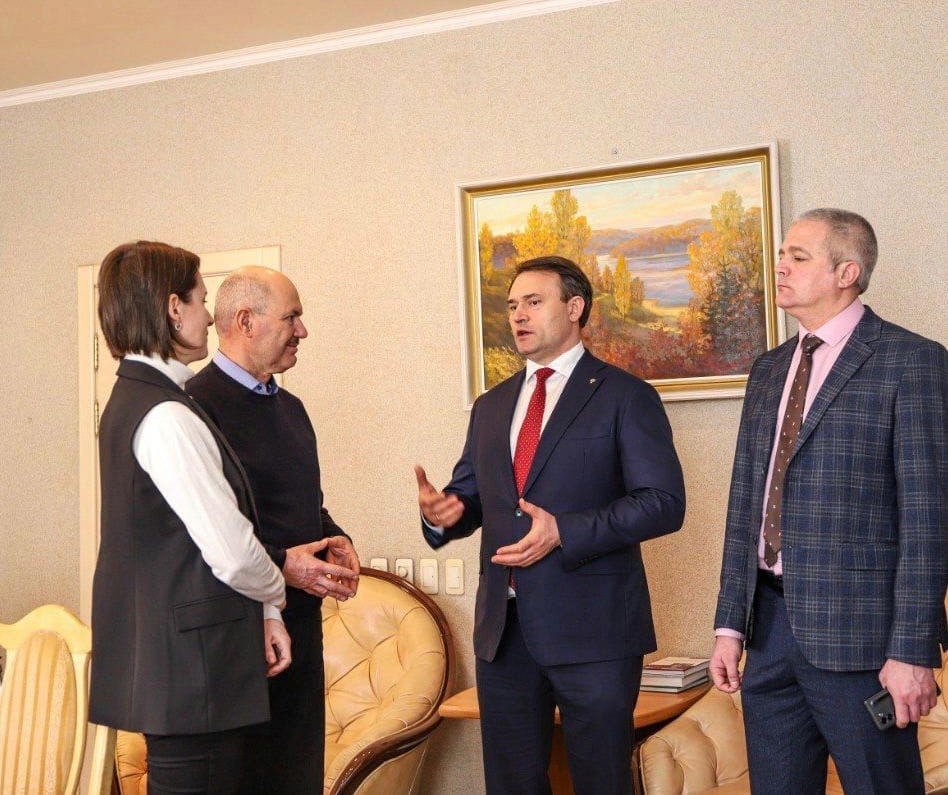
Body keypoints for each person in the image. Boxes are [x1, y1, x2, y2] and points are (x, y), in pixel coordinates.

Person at [416, 255, 686, 795]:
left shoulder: (625, 396)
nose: (518, 315)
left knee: (601, 783)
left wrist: (565, 530)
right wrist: (444, 512)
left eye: (534, 302)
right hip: (504, 632)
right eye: (512, 305)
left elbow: (663, 503)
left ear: (575, 307)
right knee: (511, 784)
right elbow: (472, 496)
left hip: (596, 631)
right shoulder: (491, 406)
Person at [711, 208, 947, 793]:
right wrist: (729, 626)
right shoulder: (768, 370)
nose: (780, 267)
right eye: (781, 255)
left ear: (847, 272)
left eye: (798, 256)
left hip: (863, 642)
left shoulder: (912, 361)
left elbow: (929, 518)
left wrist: (913, 651)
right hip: (768, 632)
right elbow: (745, 503)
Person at [89, 241, 291, 795]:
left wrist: (264, 609)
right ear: (173, 307)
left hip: (177, 673)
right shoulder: (167, 415)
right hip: (194, 675)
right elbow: (233, 553)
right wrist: (276, 594)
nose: (207, 316)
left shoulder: (135, 400)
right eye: (202, 299)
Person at [186, 266, 359, 795]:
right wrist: (287, 564)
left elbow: (304, 503)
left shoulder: (292, 409)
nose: (302, 331)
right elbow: (203, 532)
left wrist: (335, 537)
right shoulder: (193, 408)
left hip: (301, 630)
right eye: (292, 317)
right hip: (234, 637)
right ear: (246, 321)